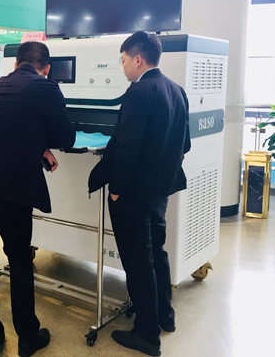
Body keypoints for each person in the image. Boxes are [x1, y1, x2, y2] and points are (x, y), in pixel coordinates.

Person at [0, 42, 75, 357]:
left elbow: (4, 126)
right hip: (10, 191)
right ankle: (27, 337)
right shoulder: (47, 87)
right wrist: (43, 143)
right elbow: (67, 137)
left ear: (14, 64)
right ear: (46, 68)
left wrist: (37, 145)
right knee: (20, 260)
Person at [88, 31, 191, 357]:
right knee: (156, 253)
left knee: (137, 261)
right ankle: (164, 316)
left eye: (122, 60)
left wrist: (116, 190)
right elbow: (185, 144)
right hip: (159, 191)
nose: (122, 67)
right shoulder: (177, 91)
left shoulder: (139, 92)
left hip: (132, 193)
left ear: (137, 59)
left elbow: (127, 147)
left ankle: (147, 335)